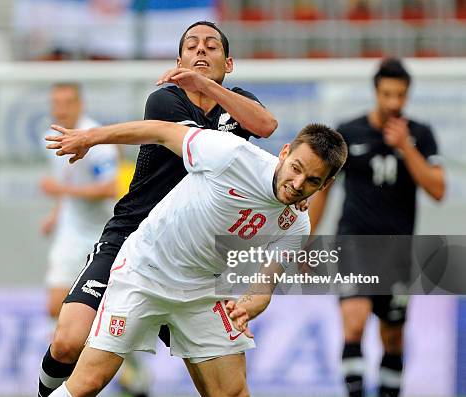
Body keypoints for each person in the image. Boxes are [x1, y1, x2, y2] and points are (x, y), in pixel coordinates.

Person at [36, 21, 279, 397]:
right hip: (132, 239)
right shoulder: (165, 100)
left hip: (194, 259)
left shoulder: (240, 102)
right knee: (68, 341)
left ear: (228, 63)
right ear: (178, 59)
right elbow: (202, 152)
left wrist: (208, 87)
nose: (201, 51)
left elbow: (265, 125)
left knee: (227, 391)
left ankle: (135, 369)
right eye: (192, 46)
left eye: (211, 47)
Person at [45, 119, 348, 397]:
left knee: (232, 393)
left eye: (311, 180)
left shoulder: (297, 224)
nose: (297, 185)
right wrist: (91, 137)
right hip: (145, 271)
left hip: (203, 290)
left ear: (325, 185)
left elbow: (263, 288)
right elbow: (161, 131)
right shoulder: (232, 155)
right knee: (88, 383)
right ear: (284, 152)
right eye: (296, 168)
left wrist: (246, 306)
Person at [309, 58, 445, 397]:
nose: (393, 103)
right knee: (354, 323)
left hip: (397, 250)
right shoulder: (348, 132)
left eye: (400, 96)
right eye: (387, 95)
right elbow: (323, 192)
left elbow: (438, 190)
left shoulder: (421, 135)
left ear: (407, 95)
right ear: (376, 92)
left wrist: (406, 148)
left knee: (393, 336)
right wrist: (304, 241)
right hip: (353, 244)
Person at [39, 83, 118, 318]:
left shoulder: (96, 140)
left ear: (80, 105)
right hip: (71, 231)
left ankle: (111, 353)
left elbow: (111, 188)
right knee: (55, 306)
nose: (61, 110)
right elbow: (67, 179)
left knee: (104, 313)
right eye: (56, 104)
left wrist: (61, 189)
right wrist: (55, 215)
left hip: (103, 232)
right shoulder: (52, 139)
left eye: (68, 103)